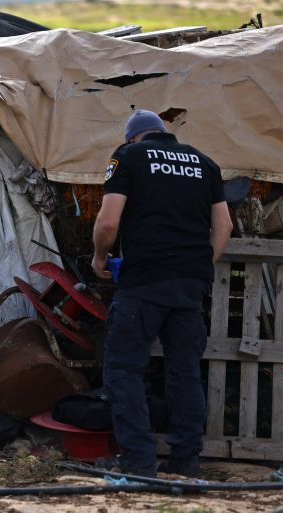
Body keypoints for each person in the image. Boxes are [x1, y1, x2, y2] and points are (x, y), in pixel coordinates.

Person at [91, 109, 233, 477]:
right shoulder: (206, 163)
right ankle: (186, 461)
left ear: (132, 137)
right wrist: (202, 267)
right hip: (189, 286)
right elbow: (225, 224)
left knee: (124, 369)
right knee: (184, 372)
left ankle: (138, 461)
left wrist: (99, 256)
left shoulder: (128, 156)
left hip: (143, 281)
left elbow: (109, 220)